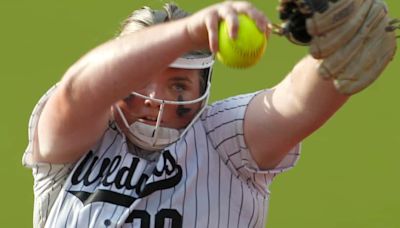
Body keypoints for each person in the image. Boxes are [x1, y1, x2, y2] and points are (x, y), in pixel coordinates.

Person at [22, 1, 397, 227]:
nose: (156, 98)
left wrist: (333, 57)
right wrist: (190, 31)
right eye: (142, 78)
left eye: (178, 84)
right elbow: (80, 89)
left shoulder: (223, 140)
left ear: (202, 87)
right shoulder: (77, 136)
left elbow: (294, 103)